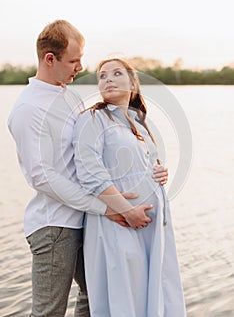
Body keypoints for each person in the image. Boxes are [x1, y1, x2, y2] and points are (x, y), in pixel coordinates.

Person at [7, 21, 168, 317]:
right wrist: (106, 208)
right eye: (74, 60)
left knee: (95, 298)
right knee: (49, 312)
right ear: (50, 59)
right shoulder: (28, 109)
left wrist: (153, 172)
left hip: (88, 219)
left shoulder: (68, 96)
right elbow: (42, 178)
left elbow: (97, 152)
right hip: (55, 225)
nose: (81, 67)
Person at [73, 58, 187, 317]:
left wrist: (160, 171)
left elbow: (145, 162)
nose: (108, 79)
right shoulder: (93, 118)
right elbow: (90, 174)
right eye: (102, 76)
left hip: (150, 225)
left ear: (133, 83)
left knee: (155, 291)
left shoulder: (138, 121)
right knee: (124, 292)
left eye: (116, 73)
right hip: (118, 222)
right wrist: (127, 211)